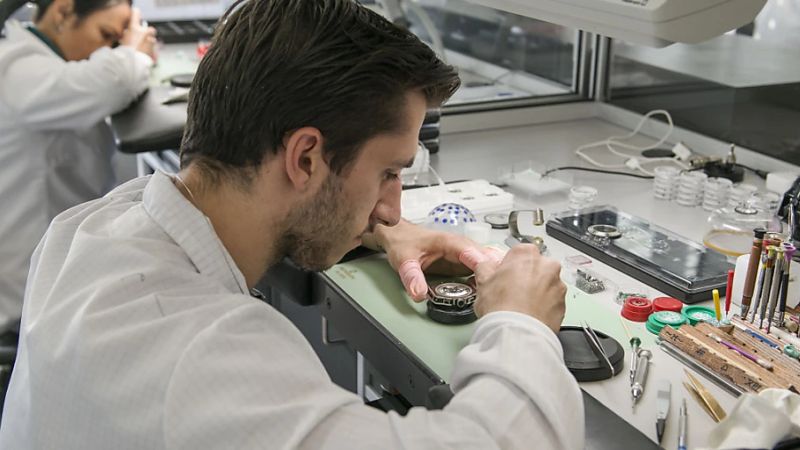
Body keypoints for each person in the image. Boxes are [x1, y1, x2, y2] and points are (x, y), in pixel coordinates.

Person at [0, 0, 584, 448]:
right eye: (388, 173)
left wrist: (372, 227)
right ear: (305, 158)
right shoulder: (207, 359)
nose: (394, 206)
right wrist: (521, 322)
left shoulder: (92, 228)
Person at [0, 0, 157, 336]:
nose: (107, 50)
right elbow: (113, 82)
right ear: (63, 11)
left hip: (54, 275)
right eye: (106, 35)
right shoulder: (16, 69)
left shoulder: (43, 65)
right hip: (24, 305)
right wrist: (133, 51)